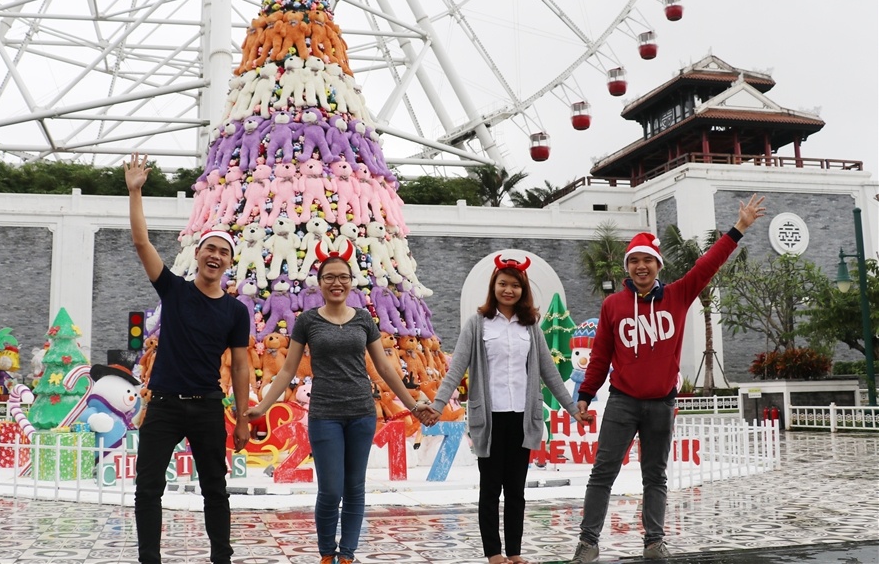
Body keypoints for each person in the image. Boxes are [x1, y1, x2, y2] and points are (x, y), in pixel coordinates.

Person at [569, 194, 766, 564]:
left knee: (655, 476)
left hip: (661, 403)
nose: (641, 266)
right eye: (634, 261)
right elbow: (600, 356)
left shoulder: (677, 295)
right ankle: (588, 542)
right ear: (628, 267)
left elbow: (707, 265)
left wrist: (739, 228)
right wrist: (585, 393)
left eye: (647, 260)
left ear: (657, 265)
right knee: (603, 473)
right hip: (622, 401)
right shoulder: (613, 305)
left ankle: (654, 542)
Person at [245, 244, 428, 564]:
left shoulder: (363, 320)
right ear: (319, 282)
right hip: (325, 414)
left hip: (361, 413)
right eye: (329, 277)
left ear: (351, 281)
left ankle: (347, 555)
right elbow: (287, 370)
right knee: (330, 489)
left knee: (355, 487)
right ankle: (327, 553)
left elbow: (385, 368)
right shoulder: (308, 321)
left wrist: (413, 405)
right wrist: (263, 406)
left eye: (343, 277)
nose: (336, 283)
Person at [124, 152, 252, 564]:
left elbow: (241, 365)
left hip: (207, 407)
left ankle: (221, 558)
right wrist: (135, 192)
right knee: (148, 488)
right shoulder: (174, 290)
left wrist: (243, 417)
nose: (215, 256)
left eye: (223, 252)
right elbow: (142, 243)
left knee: (215, 488)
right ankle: (149, 559)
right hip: (163, 405)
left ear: (229, 262)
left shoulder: (235, 311)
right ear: (197, 254)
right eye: (209, 248)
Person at [418, 255, 585, 564]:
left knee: (516, 491)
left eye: (515, 285)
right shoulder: (477, 324)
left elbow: (549, 372)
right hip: (489, 419)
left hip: (522, 418)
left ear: (523, 290)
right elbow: (456, 369)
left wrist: (573, 409)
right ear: (493, 286)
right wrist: (438, 405)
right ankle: (494, 553)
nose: (509, 290)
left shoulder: (530, 327)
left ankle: (515, 552)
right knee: (490, 488)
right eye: (503, 284)